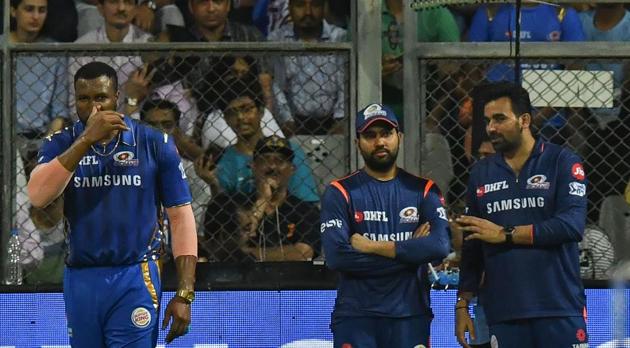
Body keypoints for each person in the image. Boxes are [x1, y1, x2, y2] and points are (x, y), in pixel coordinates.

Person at [27, 62, 197, 346]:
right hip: (81, 277)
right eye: (84, 99)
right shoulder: (62, 143)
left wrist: (185, 292)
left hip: (135, 274)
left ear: (117, 97)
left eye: (101, 98)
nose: (93, 108)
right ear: (74, 100)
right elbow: (38, 196)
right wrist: (85, 141)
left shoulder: (154, 143)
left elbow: (180, 217)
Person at [455, 82, 589, 348]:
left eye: (500, 118)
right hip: (503, 312)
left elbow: (571, 226)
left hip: (558, 308)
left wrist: (505, 234)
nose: (491, 127)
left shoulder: (562, 161)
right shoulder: (481, 173)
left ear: (525, 120)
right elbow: (473, 245)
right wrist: (462, 304)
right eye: (487, 120)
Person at [320, 103, 451, 348]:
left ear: (399, 137)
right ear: (357, 141)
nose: (380, 142)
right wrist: (411, 253)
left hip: (410, 316)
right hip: (357, 317)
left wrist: (372, 247)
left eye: (386, 134)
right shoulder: (339, 192)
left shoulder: (424, 190)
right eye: (370, 135)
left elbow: (440, 246)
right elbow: (338, 258)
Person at [203, 135, 319, 262]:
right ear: (253, 166)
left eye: (280, 161)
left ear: (292, 169)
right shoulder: (237, 204)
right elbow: (224, 247)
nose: (272, 167)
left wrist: (245, 253)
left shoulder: (305, 210)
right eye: (265, 160)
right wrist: (262, 200)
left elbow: (303, 253)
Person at [268, 0, 348, 136]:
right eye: (300, 5)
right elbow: (277, 86)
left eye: (316, 5)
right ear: (290, 8)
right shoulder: (277, 39)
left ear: (324, 8)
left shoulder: (339, 38)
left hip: (334, 119)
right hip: (293, 120)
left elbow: (345, 84)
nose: (308, 12)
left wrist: (341, 119)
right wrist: (287, 121)